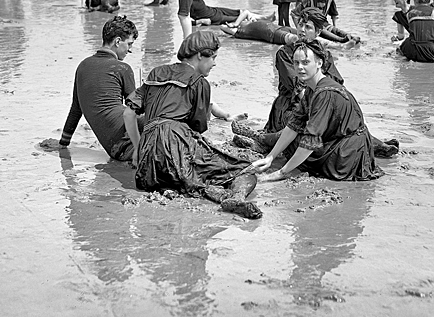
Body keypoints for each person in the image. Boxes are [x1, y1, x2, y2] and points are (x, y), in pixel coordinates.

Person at [123, 31, 262, 219]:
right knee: (244, 168)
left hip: (148, 163)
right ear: (199, 56)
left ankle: (210, 191)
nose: (214, 63)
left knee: (183, 178)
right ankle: (234, 196)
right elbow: (198, 129)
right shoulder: (199, 83)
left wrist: (139, 149)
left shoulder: (156, 73)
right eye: (213, 57)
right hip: (176, 143)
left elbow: (128, 113)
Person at [252, 40, 383, 182]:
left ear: (319, 63)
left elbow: (311, 141)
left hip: (349, 154)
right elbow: (294, 124)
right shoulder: (311, 88)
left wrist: (279, 173)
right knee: (294, 141)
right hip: (340, 142)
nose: (300, 67)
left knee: (301, 145)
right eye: (296, 63)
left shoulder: (325, 94)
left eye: (305, 62)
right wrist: (270, 157)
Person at [59, 16, 142, 160]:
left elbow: (76, 109)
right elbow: (135, 110)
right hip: (129, 142)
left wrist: (63, 144)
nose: (130, 50)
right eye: (129, 44)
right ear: (117, 41)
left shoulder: (83, 66)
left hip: (114, 151)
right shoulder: (123, 69)